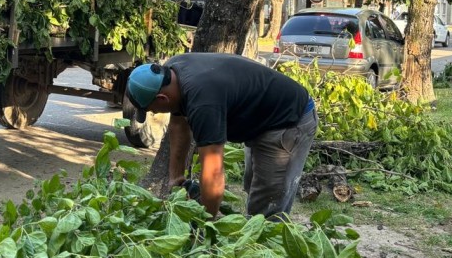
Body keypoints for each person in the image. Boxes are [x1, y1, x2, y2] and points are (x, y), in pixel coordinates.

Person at [126, 53, 317, 221]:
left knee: (268, 206)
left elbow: (213, 172)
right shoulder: (173, 71)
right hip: (261, 120)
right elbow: (178, 125)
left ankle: (268, 251)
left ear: (162, 99)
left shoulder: (203, 103)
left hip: (289, 121)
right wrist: (175, 177)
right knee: (253, 185)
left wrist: (206, 224)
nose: (154, 113)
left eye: (152, 110)